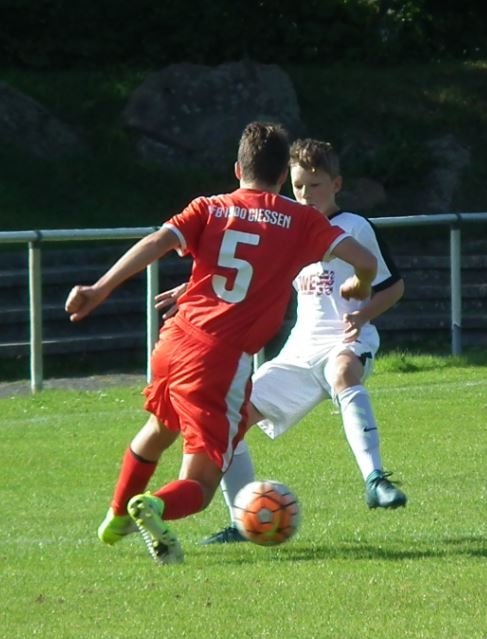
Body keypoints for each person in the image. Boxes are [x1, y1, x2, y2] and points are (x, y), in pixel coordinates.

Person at [64, 122, 377, 565]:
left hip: (174, 341)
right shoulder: (301, 219)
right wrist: (360, 284)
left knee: (160, 429)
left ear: (237, 169)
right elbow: (365, 261)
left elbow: (157, 241)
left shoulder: (210, 207)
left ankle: (115, 517)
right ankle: (151, 506)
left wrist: (99, 289)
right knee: (203, 482)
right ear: (283, 176)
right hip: (220, 360)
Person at [159, 138, 407, 546]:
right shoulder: (291, 226)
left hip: (346, 339)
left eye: (315, 185)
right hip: (298, 351)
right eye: (298, 186)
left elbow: (393, 287)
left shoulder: (355, 227)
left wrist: (362, 315)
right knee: (231, 422)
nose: (306, 194)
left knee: (344, 372)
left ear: (337, 184)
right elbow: (248, 268)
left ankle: (375, 480)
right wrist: (190, 288)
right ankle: (244, 520)